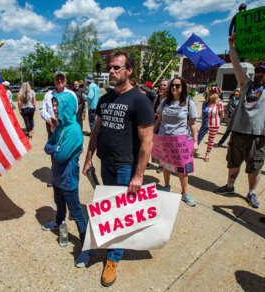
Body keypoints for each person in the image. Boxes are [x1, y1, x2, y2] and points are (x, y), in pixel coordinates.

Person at [82, 51, 154, 287]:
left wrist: (139, 174)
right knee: (109, 209)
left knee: (120, 214)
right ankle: (108, 244)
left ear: (129, 70)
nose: (111, 71)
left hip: (126, 167)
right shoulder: (105, 99)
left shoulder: (140, 100)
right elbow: (97, 130)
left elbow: (147, 141)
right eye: (110, 68)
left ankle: (113, 259)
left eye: (116, 67)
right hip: (106, 164)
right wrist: (89, 156)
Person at [215, 33, 265, 209]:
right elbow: (235, 64)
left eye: (263, 72)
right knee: (233, 162)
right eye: (258, 71)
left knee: (255, 167)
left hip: (259, 135)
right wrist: (231, 45)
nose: (260, 74)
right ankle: (230, 186)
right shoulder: (246, 85)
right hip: (238, 132)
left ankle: (251, 192)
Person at [41, 92, 90, 267]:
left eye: (57, 105)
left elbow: (61, 156)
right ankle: (59, 226)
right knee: (59, 203)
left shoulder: (75, 130)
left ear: (67, 107)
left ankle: (86, 247)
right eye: (53, 105)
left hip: (69, 179)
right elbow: (47, 147)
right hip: (57, 177)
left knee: (76, 212)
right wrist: (55, 147)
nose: (54, 108)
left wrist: (55, 149)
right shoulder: (60, 126)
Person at [154, 77, 198, 207]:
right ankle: (167, 186)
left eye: (177, 86)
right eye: (172, 85)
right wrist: (151, 133)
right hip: (164, 138)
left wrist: (195, 141)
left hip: (180, 140)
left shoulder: (189, 102)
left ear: (183, 87)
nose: (174, 88)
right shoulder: (164, 102)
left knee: (182, 169)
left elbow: (193, 124)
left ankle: (185, 194)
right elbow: (159, 120)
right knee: (166, 165)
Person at [39, 72, 77, 139]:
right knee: (52, 146)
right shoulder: (48, 94)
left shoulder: (71, 94)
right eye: (57, 79)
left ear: (65, 81)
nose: (59, 80)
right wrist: (50, 119)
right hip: (52, 126)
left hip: (67, 126)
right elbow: (42, 109)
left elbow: (75, 109)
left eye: (62, 78)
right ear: (54, 81)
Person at [152, 80, 169, 173]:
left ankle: (161, 166)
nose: (162, 86)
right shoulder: (157, 97)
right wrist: (155, 114)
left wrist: (162, 116)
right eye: (161, 85)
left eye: (164, 85)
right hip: (155, 123)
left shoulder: (170, 99)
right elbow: (153, 109)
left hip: (164, 125)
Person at [204, 89, 224, 162]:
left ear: (216, 94)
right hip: (205, 123)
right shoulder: (206, 102)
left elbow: (222, 114)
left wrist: (218, 121)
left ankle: (207, 154)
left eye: (213, 93)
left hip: (214, 124)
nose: (211, 94)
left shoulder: (219, 103)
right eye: (210, 93)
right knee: (199, 136)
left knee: (210, 140)